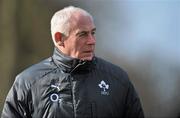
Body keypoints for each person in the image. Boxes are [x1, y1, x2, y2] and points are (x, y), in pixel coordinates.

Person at [1, 6, 144, 118]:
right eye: (82, 34)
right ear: (59, 39)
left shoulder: (118, 80)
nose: (92, 41)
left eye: (93, 33)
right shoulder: (27, 83)